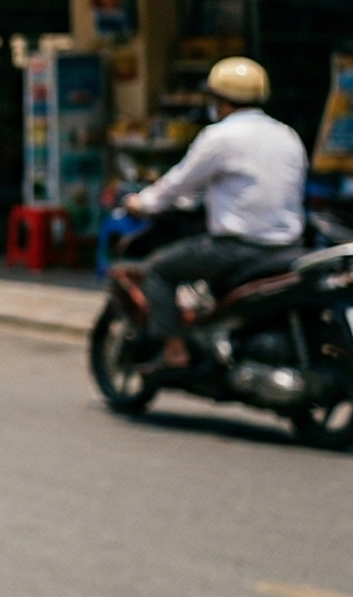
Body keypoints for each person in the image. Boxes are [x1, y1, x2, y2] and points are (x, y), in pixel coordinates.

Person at [120, 57, 306, 367]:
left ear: (220, 101)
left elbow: (178, 184)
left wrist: (142, 203)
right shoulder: (287, 135)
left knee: (158, 271)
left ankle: (175, 350)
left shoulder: (220, 136)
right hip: (288, 247)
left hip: (237, 249)